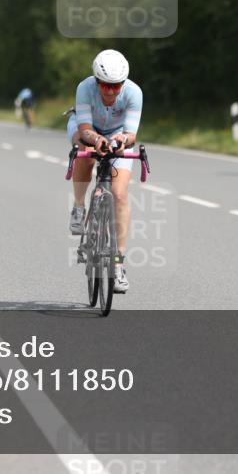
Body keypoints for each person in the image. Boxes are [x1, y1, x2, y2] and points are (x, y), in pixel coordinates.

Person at [67, 49, 142, 294]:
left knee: (120, 195)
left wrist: (121, 140)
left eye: (116, 86)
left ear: (123, 83)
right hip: (88, 130)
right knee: (85, 149)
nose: (110, 91)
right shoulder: (85, 88)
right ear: (96, 81)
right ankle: (79, 206)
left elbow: (132, 134)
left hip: (117, 134)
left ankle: (118, 265)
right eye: (105, 85)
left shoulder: (133, 92)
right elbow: (85, 127)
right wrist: (96, 139)